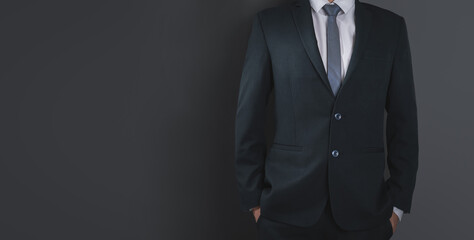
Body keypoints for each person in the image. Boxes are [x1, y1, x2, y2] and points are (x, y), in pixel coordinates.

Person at [234, 0, 419, 239]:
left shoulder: (390, 27)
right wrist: (254, 204)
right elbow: (249, 117)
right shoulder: (271, 24)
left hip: (365, 215)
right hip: (284, 213)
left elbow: (404, 123)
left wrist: (397, 209)